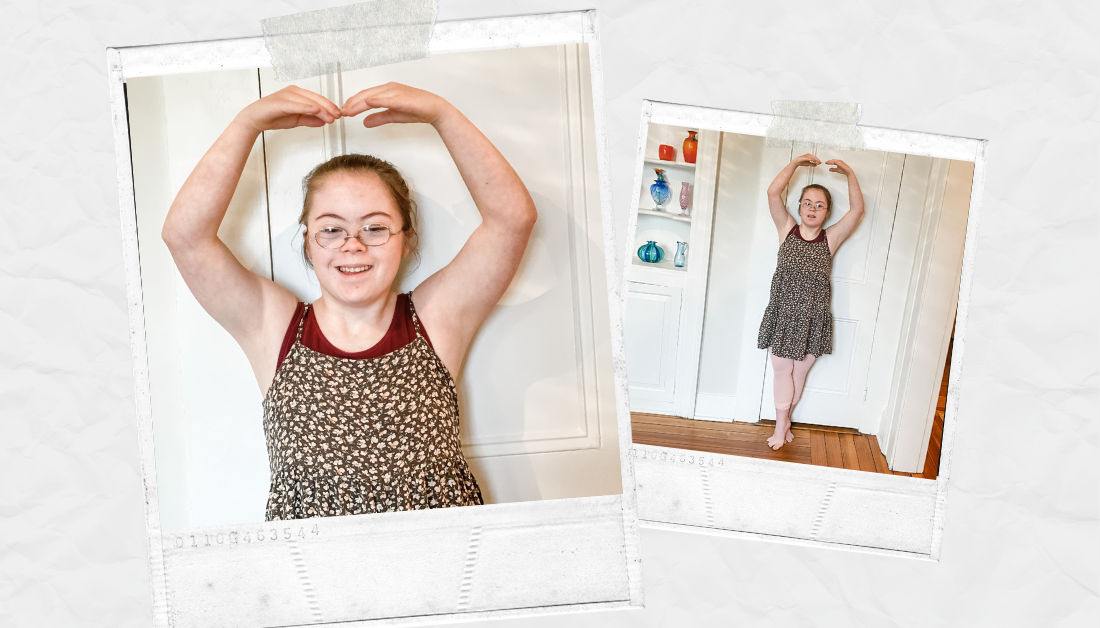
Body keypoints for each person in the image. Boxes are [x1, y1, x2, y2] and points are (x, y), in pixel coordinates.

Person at [161, 82, 537, 519]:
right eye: (331, 228)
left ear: (405, 240)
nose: (352, 245)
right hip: (316, 577)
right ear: (308, 243)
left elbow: (513, 219)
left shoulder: (435, 318)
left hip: (443, 566)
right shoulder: (275, 326)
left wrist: (442, 113)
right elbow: (184, 237)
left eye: (375, 227)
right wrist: (248, 123)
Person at [756, 153, 863, 450]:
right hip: (783, 313)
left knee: (798, 371)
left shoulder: (831, 238)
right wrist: (793, 164)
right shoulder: (786, 229)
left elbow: (856, 211)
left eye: (820, 205)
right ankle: (781, 428)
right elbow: (772, 192)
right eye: (808, 203)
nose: (812, 209)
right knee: (781, 368)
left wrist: (849, 172)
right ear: (799, 207)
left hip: (812, 317)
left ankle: (784, 421)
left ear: (827, 213)